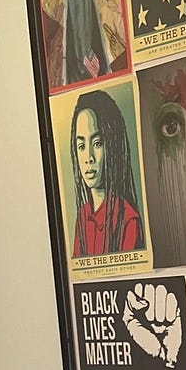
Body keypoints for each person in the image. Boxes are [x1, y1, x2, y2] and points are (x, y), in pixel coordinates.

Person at [70, 89, 143, 257]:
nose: (88, 158)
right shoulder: (82, 217)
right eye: (81, 146)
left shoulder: (128, 220)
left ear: (111, 145)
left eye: (97, 143)